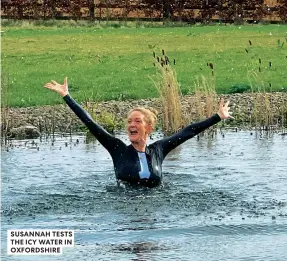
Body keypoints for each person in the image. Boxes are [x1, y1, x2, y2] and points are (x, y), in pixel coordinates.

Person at [44, 77, 233, 188]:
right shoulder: (117, 149)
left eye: (137, 121)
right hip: (125, 207)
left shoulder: (159, 149)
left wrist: (218, 116)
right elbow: (90, 123)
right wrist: (66, 96)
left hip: (152, 208)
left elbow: (188, 131)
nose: (131, 125)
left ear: (148, 128)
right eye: (128, 121)